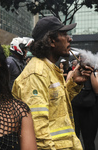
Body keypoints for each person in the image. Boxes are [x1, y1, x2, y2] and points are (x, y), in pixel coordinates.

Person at [12, 16, 93, 149]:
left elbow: (56, 106)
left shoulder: (48, 69)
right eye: (64, 34)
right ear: (51, 41)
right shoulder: (36, 74)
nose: (70, 38)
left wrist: (75, 83)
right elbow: (39, 135)